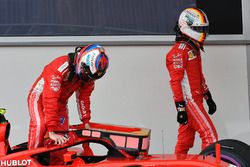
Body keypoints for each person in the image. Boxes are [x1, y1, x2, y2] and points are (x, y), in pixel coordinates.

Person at [27, 44, 109, 164]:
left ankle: (57, 163)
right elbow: (50, 98)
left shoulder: (89, 76)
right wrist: (51, 130)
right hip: (39, 97)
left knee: (62, 136)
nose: (86, 78)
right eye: (85, 73)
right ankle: (31, 160)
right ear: (82, 61)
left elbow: (83, 98)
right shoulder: (59, 67)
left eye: (90, 77)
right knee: (40, 125)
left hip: (59, 102)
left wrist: (86, 121)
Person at [166, 7, 218, 154]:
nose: (202, 32)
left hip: (196, 99)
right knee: (210, 136)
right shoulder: (179, 51)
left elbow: (198, 76)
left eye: (203, 28)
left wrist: (208, 96)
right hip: (190, 102)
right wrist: (180, 108)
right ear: (186, 27)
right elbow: (175, 82)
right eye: (199, 28)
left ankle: (178, 164)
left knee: (184, 142)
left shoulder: (193, 47)